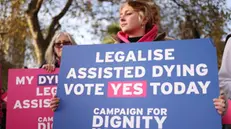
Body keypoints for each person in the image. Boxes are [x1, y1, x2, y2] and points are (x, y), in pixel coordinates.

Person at [50, 0, 228, 116]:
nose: (122, 17)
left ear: (143, 19)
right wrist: (65, 104)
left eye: (128, 13)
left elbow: (192, 87)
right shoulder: (105, 56)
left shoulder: (172, 47)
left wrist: (216, 104)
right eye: (121, 15)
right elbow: (91, 92)